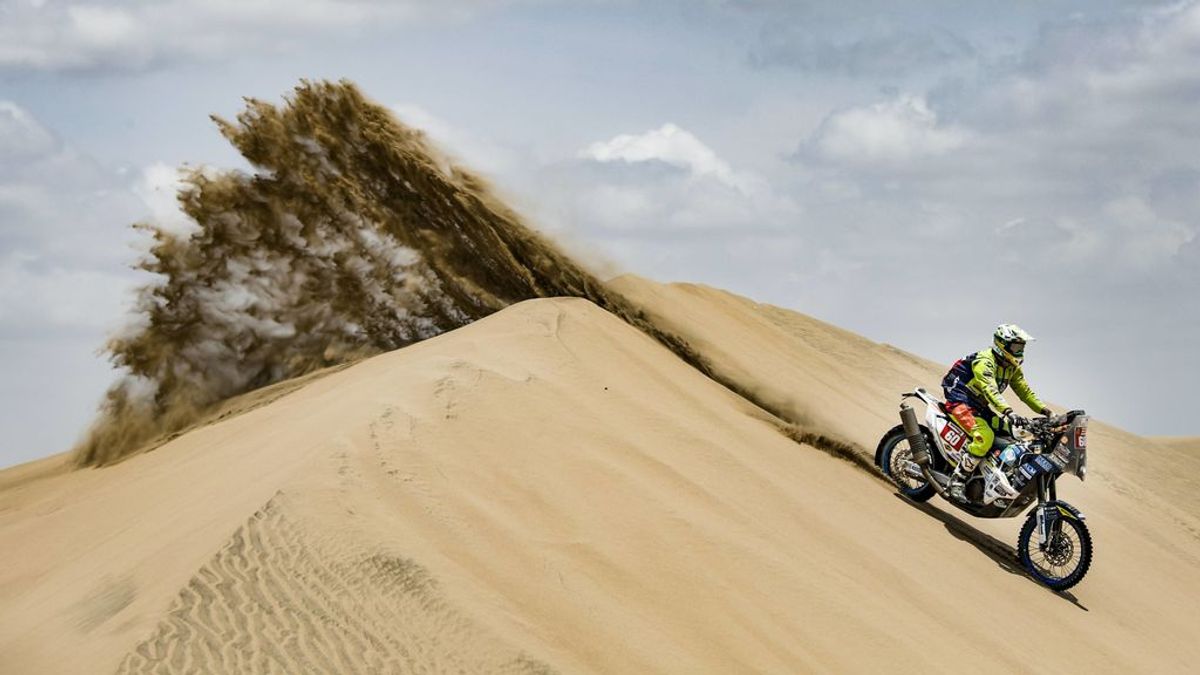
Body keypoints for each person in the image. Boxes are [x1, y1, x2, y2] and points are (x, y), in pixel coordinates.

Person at [940, 324, 1053, 502]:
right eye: (1016, 346)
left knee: (1013, 433)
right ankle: (958, 480)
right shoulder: (985, 361)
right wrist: (1008, 411)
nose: (1020, 350)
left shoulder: (1011, 367)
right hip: (959, 401)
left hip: (979, 406)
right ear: (1002, 344)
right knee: (984, 436)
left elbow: (1025, 392)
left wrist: (1047, 412)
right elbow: (990, 390)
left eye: (1022, 347)